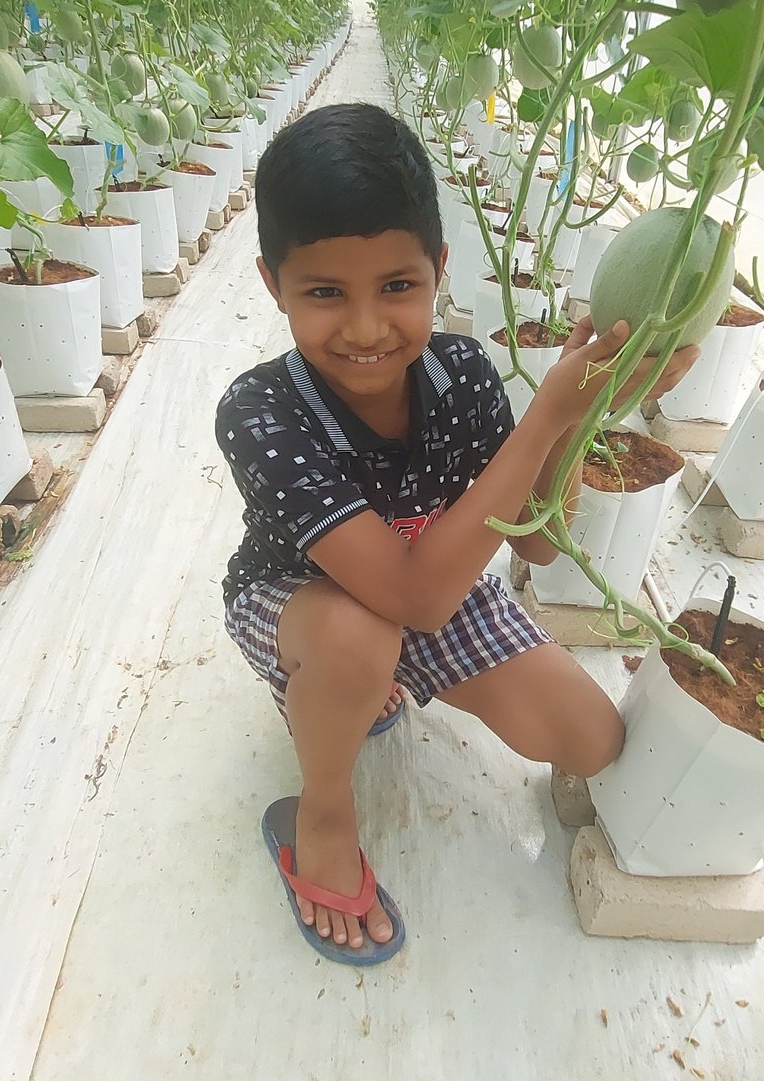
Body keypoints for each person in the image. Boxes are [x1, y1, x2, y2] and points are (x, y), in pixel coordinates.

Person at [216, 102, 698, 965]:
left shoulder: (463, 374)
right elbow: (410, 595)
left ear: (439, 269)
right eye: (325, 293)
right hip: (300, 605)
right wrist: (544, 411)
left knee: (592, 739)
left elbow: (537, 544)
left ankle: (365, 685)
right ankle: (320, 814)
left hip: (431, 583)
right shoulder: (260, 411)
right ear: (271, 284)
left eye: (397, 286)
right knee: (358, 636)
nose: (366, 328)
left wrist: (576, 420)